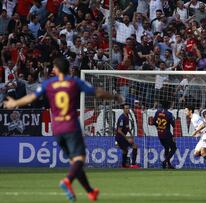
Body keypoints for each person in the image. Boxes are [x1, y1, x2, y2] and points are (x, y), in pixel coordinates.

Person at [4, 57, 121, 201]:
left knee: (74, 163)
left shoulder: (48, 84)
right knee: (80, 159)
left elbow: (31, 98)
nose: (52, 70)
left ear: (58, 69)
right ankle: (67, 181)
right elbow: (98, 92)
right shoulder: (74, 82)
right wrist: (115, 97)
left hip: (57, 128)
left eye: (53, 67)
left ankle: (90, 191)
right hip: (71, 126)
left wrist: (15, 102)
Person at [184, 104, 206, 172]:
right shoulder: (192, 118)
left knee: (202, 152)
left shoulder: (195, 117)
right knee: (196, 153)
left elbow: (203, 125)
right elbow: (200, 127)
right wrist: (198, 134)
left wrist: (195, 132)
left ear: (190, 111)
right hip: (202, 136)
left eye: (186, 110)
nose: (185, 112)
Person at [152, 101, 177, 169]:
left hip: (160, 133)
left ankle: (168, 164)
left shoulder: (157, 112)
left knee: (166, 148)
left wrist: (159, 126)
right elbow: (174, 125)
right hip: (167, 134)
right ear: (168, 106)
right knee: (174, 148)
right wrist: (173, 119)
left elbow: (153, 122)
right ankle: (165, 161)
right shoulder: (169, 114)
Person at [116, 103, 141, 168]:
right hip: (119, 138)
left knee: (125, 150)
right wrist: (127, 138)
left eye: (128, 108)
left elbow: (127, 127)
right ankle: (133, 164)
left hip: (122, 137)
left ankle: (124, 165)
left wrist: (131, 133)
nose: (128, 109)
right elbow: (119, 130)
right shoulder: (122, 118)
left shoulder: (127, 116)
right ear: (123, 109)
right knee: (134, 146)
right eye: (126, 108)